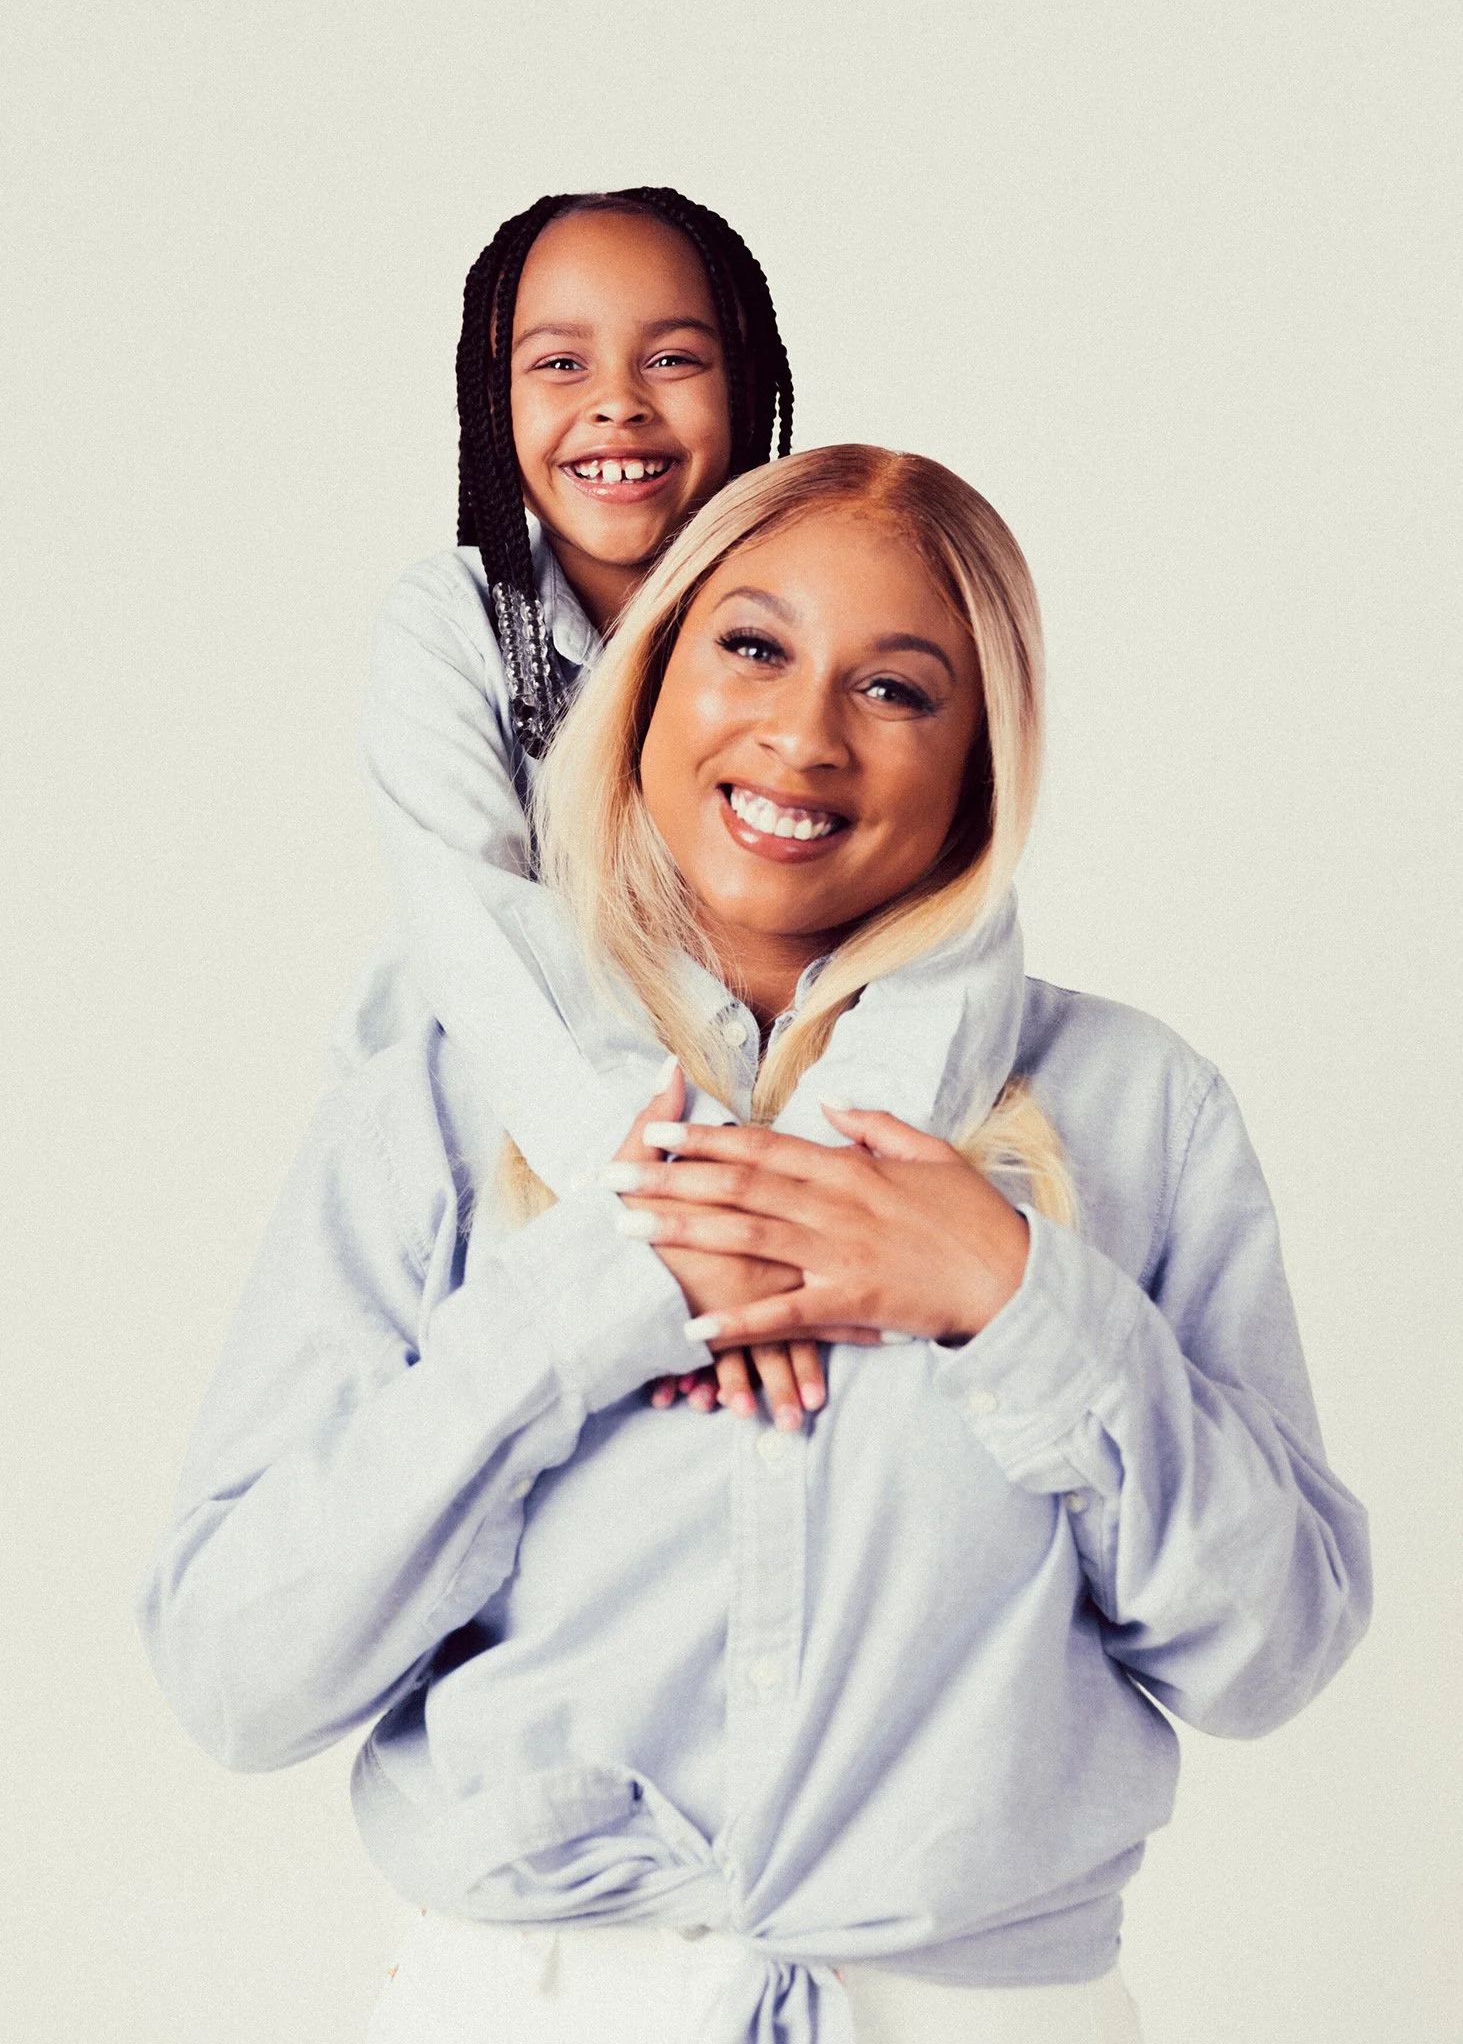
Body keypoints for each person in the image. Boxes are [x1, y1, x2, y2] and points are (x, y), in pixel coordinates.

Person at [138, 445, 1370, 2043]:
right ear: (646, 681)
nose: (803, 733)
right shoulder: (431, 1111)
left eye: (899, 689)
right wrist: (581, 1308)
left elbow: (1267, 1659)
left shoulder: (1136, 1113)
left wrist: (1013, 1300)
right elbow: (240, 1677)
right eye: (751, 647)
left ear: (982, 762)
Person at [345, 181, 823, 1426]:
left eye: (673, 356)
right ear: (490, 401)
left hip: (758, 1159)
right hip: (514, 1159)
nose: (618, 401)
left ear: (753, 381)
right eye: (557, 362)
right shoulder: (451, 626)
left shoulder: (818, 617)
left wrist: (784, 1216)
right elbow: (487, 943)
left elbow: (929, 907)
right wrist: (671, 1223)